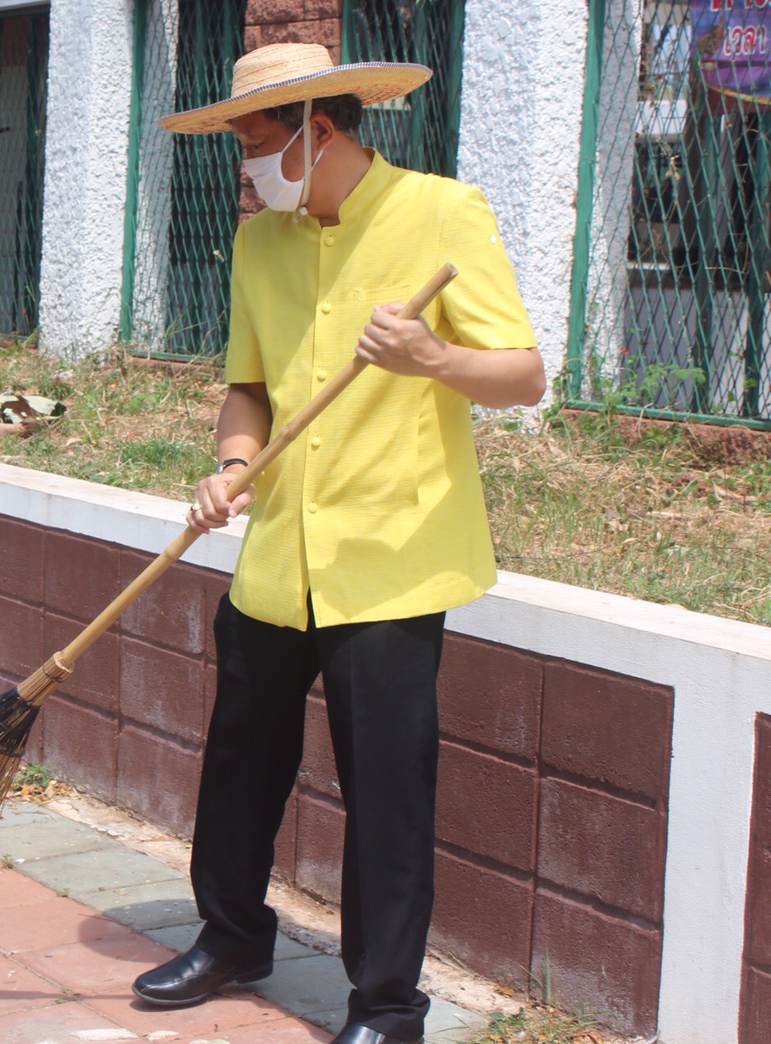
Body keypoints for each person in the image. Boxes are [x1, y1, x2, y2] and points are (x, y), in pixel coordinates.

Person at [129, 44, 546, 1044]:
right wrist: (233, 465)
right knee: (238, 764)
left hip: (391, 559)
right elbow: (248, 386)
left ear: (318, 131)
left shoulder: (440, 213)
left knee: (387, 796)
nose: (246, 167)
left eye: (256, 143)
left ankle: (386, 1006)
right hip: (279, 556)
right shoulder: (260, 242)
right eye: (238, 145)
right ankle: (232, 937)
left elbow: (523, 374)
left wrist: (429, 355)